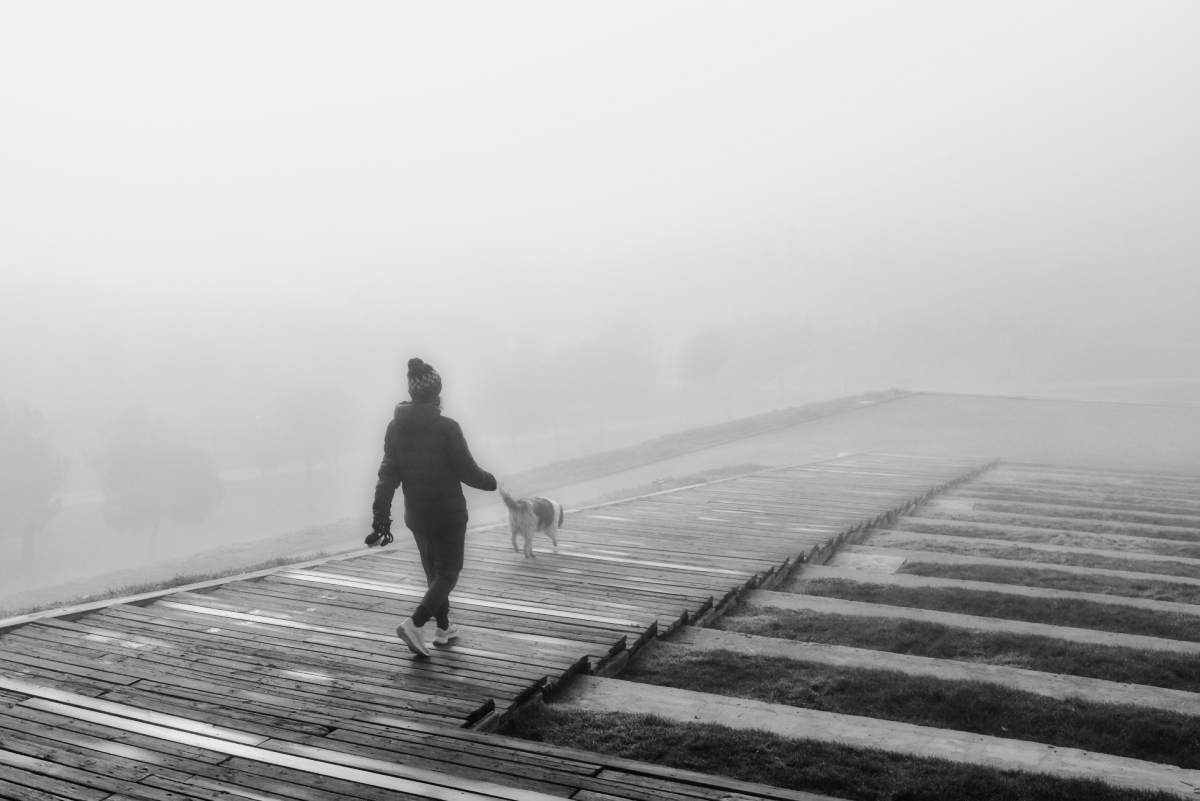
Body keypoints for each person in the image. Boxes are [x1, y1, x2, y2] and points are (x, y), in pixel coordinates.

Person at [368, 357, 497, 656]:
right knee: (448, 573)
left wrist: (380, 514)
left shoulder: (395, 428)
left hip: (418, 517)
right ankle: (415, 623)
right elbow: (467, 471)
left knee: (434, 573)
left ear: (412, 394)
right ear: (436, 391)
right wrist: (492, 482)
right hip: (449, 516)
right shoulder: (447, 427)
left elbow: (387, 476)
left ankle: (443, 628)